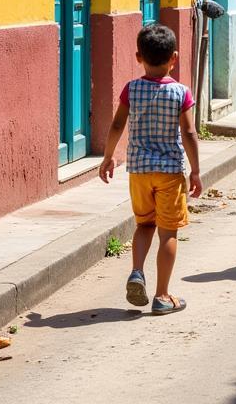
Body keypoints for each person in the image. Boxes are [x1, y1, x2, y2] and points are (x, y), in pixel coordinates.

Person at [99, 23, 201, 315]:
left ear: (138, 57)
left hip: (139, 172)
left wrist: (108, 157)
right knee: (168, 234)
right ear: (175, 57)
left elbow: (118, 124)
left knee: (144, 225)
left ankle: (136, 272)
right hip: (169, 172)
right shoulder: (181, 93)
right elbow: (189, 133)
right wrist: (195, 170)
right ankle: (162, 295)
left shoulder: (131, 89)